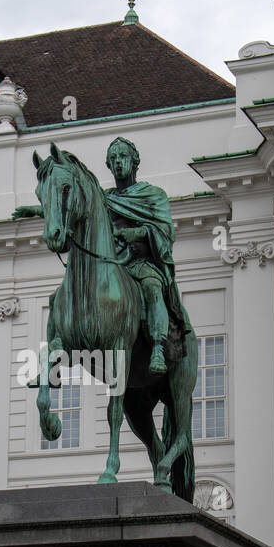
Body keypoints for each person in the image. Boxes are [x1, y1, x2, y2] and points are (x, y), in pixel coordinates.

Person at [103, 136, 192, 374]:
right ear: (109, 166)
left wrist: (139, 231)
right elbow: (76, 208)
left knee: (153, 288)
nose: (118, 162)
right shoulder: (105, 199)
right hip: (112, 265)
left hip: (142, 262)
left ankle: (158, 348)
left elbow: (166, 231)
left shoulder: (153, 195)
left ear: (134, 162)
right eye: (113, 159)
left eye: (123, 157)